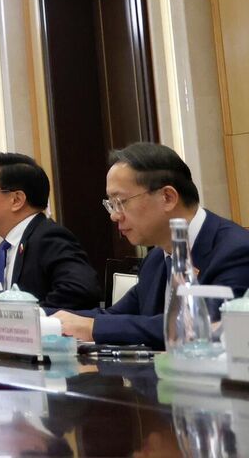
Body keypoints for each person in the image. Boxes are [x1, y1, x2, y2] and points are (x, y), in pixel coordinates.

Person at [55, 143, 249, 347]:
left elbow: (202, 328)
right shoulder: (156, 259)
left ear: (168, 198)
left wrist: (93, 328)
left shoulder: (236, 251)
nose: (114, 215)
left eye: (121, 202)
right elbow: (112, 316)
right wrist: (44, 316)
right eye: (111, 205)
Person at [0, 152, 98, 311]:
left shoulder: (48, 237)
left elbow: (81, 290)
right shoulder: (10, 245)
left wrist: (30, 317)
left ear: (17, 200)